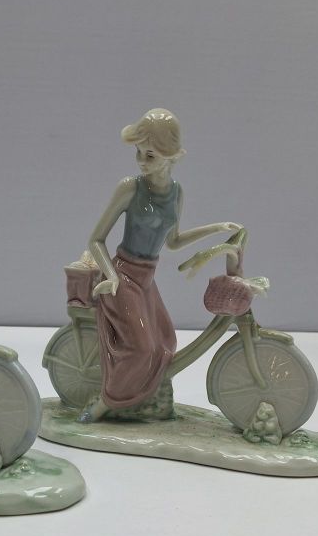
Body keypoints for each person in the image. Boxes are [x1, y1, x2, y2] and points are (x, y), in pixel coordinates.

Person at [81, 109, 241, 422]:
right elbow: (96, 240)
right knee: (142, 348)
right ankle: (104, 403)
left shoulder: (177, 193)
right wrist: (110, 276)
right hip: (123, 275)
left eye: (150, 155)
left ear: (172, 156)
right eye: (138, 153)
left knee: (166, 342)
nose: (142, 161)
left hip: (146, 279)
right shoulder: (130, 187)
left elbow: (174, 241)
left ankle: (143, 399)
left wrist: (215, 228)